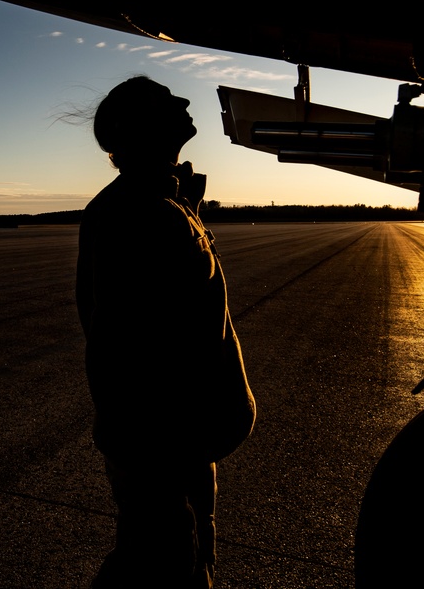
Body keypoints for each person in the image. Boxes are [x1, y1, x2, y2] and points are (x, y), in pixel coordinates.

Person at [75, 76, 255, 587]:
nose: (182, 100)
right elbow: (120, 344)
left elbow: (172, 297)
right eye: (164, 99)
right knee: (157, 566)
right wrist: (152, 461)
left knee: (192, 561)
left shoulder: (158, 205)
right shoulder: (133, 213)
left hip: (184, 439)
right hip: (158, 445)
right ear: (141, 127)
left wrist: (188, 209)